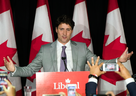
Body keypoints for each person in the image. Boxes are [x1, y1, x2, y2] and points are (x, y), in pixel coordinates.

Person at [3, 15, 133, 77]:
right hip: (53, 90)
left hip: (77, 90)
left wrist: (118, 61)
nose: (64, 33)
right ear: (56, 30)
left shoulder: (82, 48)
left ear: (72, 31)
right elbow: (30, 70)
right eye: (61, 29)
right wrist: (14, 69)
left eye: (68, 29)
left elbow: (99, 64)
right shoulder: (45, 50)